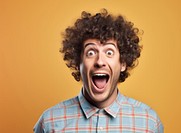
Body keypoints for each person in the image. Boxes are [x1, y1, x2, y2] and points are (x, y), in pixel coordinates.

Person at [34, 9, 164, 133]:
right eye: (91, 53)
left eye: (109, 52)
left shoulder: (149, 122)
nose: (100, 61)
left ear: (123, 63)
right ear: (78, 62)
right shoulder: (49, 122)